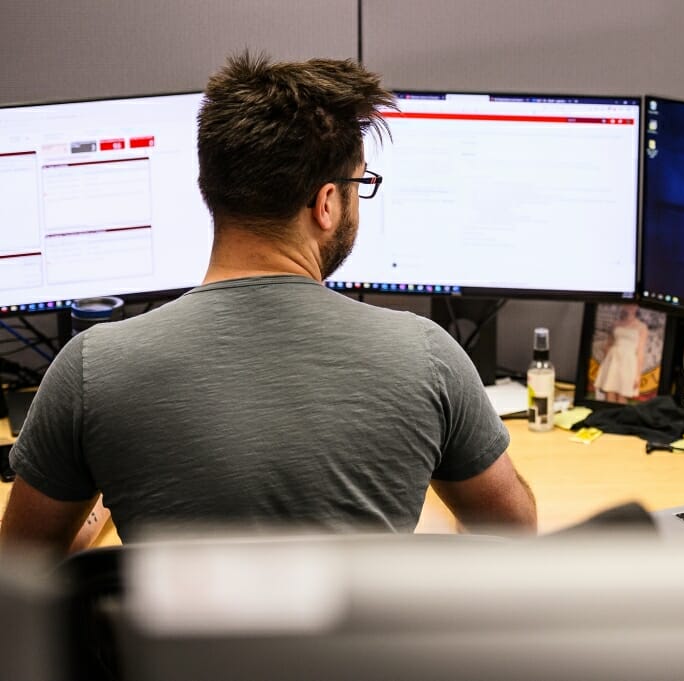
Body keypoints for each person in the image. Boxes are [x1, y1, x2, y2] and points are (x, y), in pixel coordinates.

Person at [0, 52, 536, 554]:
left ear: (209, 185)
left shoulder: (91, 371)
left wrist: (100, 498)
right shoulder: (428, 358)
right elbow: (514, 533)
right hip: (359, 658)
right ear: (326, 204)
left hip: (172, 658)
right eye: (359, 185)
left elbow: (21, 571)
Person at [593, 304, 649, 403]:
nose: (629, 307)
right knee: (609, 391)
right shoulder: (616, 324)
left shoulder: (642, 327)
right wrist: (605, 364)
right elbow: (609, 344)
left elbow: (640, 351)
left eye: (632, 305)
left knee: (622, 395)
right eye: (627, 305)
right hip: (613, 359)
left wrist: (637, 375)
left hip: (628, 362)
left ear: (636, 307)